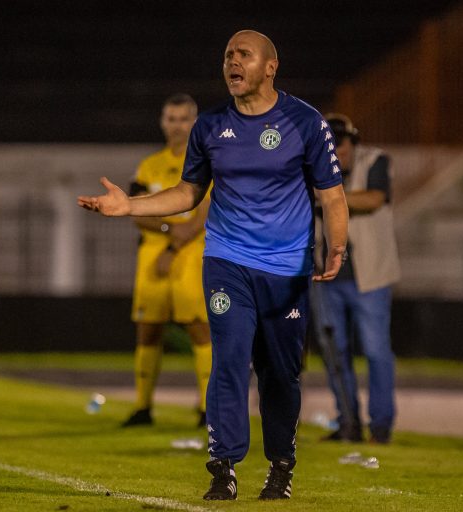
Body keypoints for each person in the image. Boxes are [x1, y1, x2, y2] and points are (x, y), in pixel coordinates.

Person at [79, 30, 349, 501]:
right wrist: (130, 207)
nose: (232, 62)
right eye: (227, 55)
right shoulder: (210, 126)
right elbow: (188, 193)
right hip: (227, 260)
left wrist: (338, 248)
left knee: (280, 371)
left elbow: (331, 194)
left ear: (270, 67)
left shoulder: (304, 122)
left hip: (286, 268)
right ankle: (223, 466)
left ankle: (281, 466)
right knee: (228, 359)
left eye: (243, 54)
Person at [122, 94, 212, 429]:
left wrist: (176, 242)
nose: (176, 125)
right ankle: (143, 407)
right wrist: (167, 227)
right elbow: (136, 210)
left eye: (183, 119)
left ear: (194, 122)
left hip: (191, 254)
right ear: (163, 122)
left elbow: (206, 207)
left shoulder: (205, 161)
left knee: (199, 327)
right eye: (171, 119)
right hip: (153, 254)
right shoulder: (149, 166)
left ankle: (207, 408)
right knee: (148, 329)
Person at [316, 113, 400, 444]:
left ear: (354, 143)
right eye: (332, 145)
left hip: (370, 275)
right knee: (334, 351)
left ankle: (380, 427)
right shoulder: (314, 166)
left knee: (376, 351)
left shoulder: (375, 161)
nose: (339, 152)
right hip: (327, 275)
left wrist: (328, 196)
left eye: (343, 144)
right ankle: (348, 423)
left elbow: (374, 198)